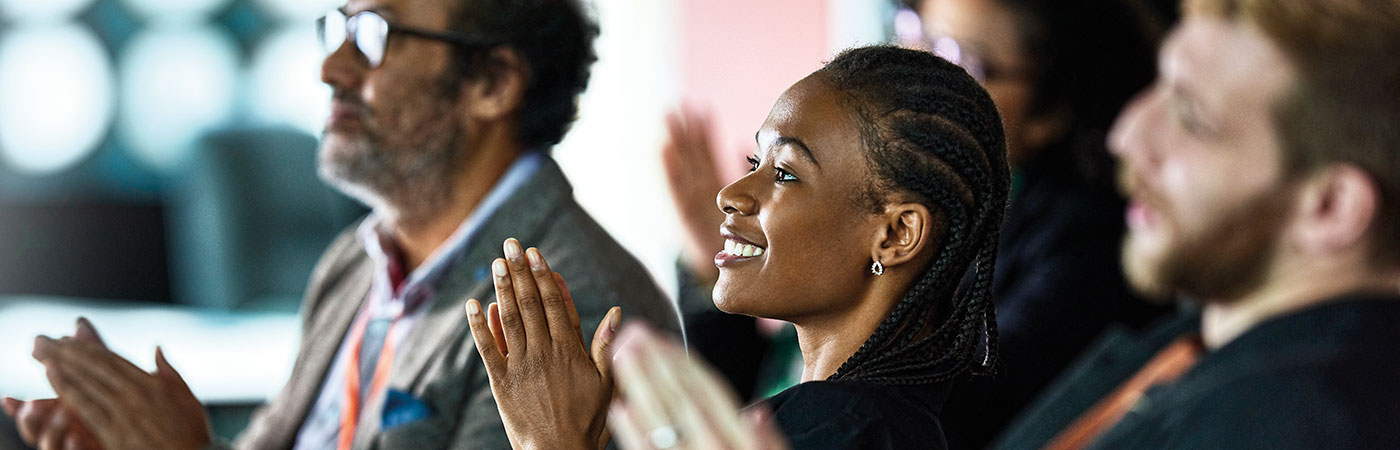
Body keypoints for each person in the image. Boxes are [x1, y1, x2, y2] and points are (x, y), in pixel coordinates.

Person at [1, 0, 682, 448]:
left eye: (375, 36)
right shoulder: (357, 264)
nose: (331, 68)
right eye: (338, 27)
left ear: (493, 84)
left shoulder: (576, 305)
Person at [468, 45, 1012, 449]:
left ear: (895, 234)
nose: (731, 194)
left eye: (788, 174)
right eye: (756, 163)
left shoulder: (846, 431)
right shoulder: (861, 420)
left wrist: (552, 444)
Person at [993, 0, 1400, 447]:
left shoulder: (1294, 426)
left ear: (1330, 206)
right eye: (1159, 86)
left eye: (1191, 118)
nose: (1125, 137)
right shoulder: (1215, 339)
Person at [901, 0, 1173, 446]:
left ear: (1049, 113)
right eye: (917, 32)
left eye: (956, 58)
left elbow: (955, 411)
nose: (910, 74)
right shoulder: (944, 198)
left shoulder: (1086, 246)